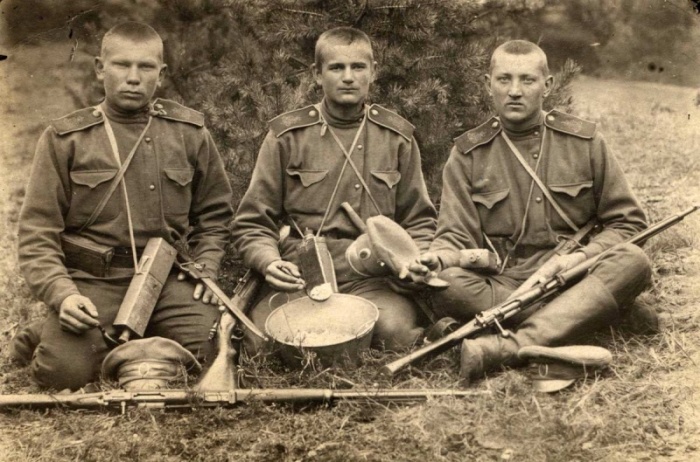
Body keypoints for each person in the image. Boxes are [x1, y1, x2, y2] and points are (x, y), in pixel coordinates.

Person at [12, 22, 233, 391]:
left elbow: (216, 213)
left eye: (145, 67)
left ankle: (142, 328)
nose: (133, 78)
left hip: (166, 279)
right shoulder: (66, 139)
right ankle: (42, 331)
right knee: (60, 374)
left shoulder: (189, 133)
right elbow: (37, 234)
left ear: (161, 75)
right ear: (100, 68)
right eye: (121, 66)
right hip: (94, 282)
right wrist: (63, 294)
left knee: (216, 348)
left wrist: (207, 265)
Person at [416, 40, 652, 381]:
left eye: (527, 80)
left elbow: (628, 222)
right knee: (447, 284)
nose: (514, 91)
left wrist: (579, 259)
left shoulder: (584, 142)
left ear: (548, 85)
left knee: (633, 261)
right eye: (504, 80)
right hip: (506, 283)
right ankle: (587, 315)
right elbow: (455, 235)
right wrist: (436, 259)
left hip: (576, 274)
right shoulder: (468, 155)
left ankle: (508, 347)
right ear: (487, 84)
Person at [232, 27, 437, 353]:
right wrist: (269, 262)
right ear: (317, 74)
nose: (348, 77)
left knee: (397, 333)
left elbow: (420, 218)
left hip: (374, 278)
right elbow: (253, 220)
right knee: (260, 341)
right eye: (336, 68)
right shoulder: (287, 136)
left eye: (358, 67)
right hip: (303, 274)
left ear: (374, 71)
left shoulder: (397, 137)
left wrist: (418, 259)